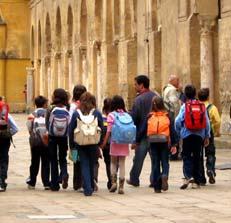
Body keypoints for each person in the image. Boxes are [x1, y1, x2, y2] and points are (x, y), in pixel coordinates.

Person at [175, 85, 210, 189]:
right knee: (197, 157)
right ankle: (196, 181)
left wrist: (179, 132)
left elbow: (177, 121)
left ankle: (188, 176)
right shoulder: (201, 106)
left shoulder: (185, 106)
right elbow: (207, 123)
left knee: (186, 156)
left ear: (185, 94)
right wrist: (207, 136)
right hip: (199, 136)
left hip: (187, 135)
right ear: (195, 94)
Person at [69, 92, 103, 196]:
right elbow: (102, 128)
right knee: (92, 164)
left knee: (84, 164)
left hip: (80, 143)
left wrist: (71, 145)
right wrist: (100, 143)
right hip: (93, 143)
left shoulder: (76, 113)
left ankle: (87, 188)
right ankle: (91, 186)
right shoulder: (96, 113)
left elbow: (70, 130)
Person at [127, 75, 158, 187]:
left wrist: (135, 138)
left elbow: (134, 118)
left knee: (138, 158)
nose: (134, 86)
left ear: (141, 85)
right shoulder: (156, 96)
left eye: (136, 84)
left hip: (142, 134)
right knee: (155, 158)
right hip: (156, 132)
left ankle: (134, 179)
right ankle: (154, 180)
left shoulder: (139, 99)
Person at [101, 95, 132, 194]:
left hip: (114, 142)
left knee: (113, 162)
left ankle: (113, 182)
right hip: (124, 143)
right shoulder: (127, 115)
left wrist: (104, 143)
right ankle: (121, 186)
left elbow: (108, 131)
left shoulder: (111, 115)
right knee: (122, 163)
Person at [147, 96, 177, 193]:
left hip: (153, 142)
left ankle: (157, 186)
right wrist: (174, 144)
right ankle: (164, 174)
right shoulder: (167, 115)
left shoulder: (149, 116)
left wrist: (137, 140)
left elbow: (144, 129)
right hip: (164, 142)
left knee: (155, 163)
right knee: (165, 161)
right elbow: (172, 130)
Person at [46, 88, 70, 191]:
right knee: (62, 157)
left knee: (53, 159)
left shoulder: (51, 108)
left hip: (52, 136)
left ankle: (55, 184)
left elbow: (47, 122)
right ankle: (64, 174)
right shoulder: (67, 108)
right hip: (64, 137)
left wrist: (50, 131)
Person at [26, 96, 50, 190]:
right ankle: (46, 183)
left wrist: (33, 135)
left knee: (34, 162)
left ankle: (32, 182)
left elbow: (29, 127)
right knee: (46, 162)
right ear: (44, 104)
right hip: (46, 140)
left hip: (35, 141)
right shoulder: (48, 113)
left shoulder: (32, 114)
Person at [198, 88, 221, 184]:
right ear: (208, 97)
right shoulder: (212, 107)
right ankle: (210, 169)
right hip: (209, 132)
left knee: (199, 155)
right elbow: (217, 121)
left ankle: (201, 177)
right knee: (210, 152)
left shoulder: (196, 106)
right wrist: (215, 131)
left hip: (198, 132)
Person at [69, 84, 87, 191]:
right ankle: (85, 181)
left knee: (76, 161)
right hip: (85, 135)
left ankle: (77, 183)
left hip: (74, 136)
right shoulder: (87, 105)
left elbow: (70, 122)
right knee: (85, 159)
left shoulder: (71, 106)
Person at [0, 100, 19, 191]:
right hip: (4, 140)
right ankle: (2, 182)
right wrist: (7, 134)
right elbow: (15, 129)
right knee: (3, 159)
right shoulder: (7, 116)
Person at [163, 75, 182, 160]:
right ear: (173, 81)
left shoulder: (166, 88)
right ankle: (174, 153)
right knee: (174, 133)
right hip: (172, 115)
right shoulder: (172, 90)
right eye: (177, 80)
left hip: (167, 114)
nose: (178, 82)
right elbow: (174, 104)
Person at [100, 98, 112, 190]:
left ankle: (110, 180)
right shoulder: (115, 116)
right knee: (115, 163)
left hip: (106, 144)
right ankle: (114, 178)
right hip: (115, 143)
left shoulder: (102, 118)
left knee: (108, 163)